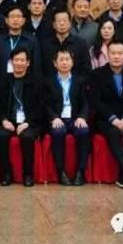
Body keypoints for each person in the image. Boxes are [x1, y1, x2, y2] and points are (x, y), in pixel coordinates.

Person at [88, 40, 123, 189]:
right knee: (113, 133)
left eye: (120, 53)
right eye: (113, 53)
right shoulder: (97, 74)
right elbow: (96, 101)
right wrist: (113, 119)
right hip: (106, 118)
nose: (116, 56)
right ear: (108, 54)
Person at [0, 47, 42, 187]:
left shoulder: (36, 82)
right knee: (0, 135)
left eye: (22, 60)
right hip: (9, 121)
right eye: (16, 60)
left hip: (29, 122)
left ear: (28, 63)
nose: (19, 63)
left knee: (27, 136)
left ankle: (28, 175)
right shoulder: (4, 81)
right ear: (11, 62)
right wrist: (4, 120)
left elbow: (40, 107)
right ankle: (6, 174)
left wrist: (27, 123)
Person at [43, 49, 91, 186]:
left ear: (72, 62)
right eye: (61, 60)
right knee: (58, 132)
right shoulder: (47, 82)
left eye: (67, 59)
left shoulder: (80, 81)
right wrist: (53, 117)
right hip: (58, 119)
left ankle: (80, 172)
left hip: (75, 118)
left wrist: (82, 117)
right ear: (55, 63)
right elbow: (45, 104)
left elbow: (86, 102)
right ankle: (61, 171)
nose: (64, 62)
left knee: (84, 131)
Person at [0, 5, 42, 85]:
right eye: (12, 17)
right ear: (6, 20)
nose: (15, 19)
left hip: (26, 84)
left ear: (23, 20)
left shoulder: (32, 40)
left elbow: (36, 66)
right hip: (2, 83)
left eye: (18, 17)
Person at [40, 10, 92, 78]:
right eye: (59, 21)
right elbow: (40, 69)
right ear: (54, 25)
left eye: (65, 21)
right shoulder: (44, 44)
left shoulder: (80, 43)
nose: (62, 23)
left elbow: (86, 68)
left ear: (70, 24)